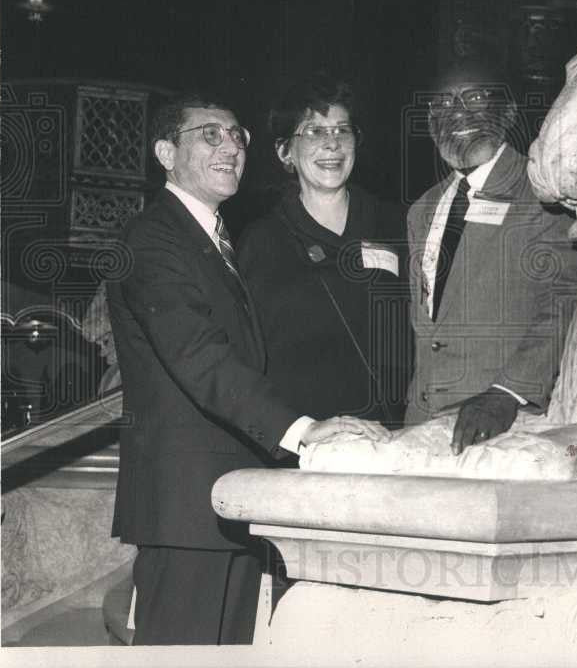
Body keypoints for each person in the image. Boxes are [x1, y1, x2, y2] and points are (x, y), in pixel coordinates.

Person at [107, 93, 386, 645]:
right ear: (166, 152)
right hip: (185, 509)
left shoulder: (216, 237)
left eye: (237, 135)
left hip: (229, 502)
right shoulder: (153, 237)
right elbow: (200, 359)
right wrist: (303, 432)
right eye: (210, 135)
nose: (230, 147)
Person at [405, 57, 577, 454]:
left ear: (506, 112)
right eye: (442, 103)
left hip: (504, 427)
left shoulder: (542, 193)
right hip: (422, 431)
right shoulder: (423, 209)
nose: (457, 113)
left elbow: (567, 300)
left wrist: (506, 394)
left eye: (474, 97)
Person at [237, 75, 410, 436]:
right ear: (285, 151)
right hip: (305, 442)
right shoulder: (260, 241)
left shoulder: (398, 225)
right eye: (314, 132)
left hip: (390, 436)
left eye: (342, 131)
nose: (332, 144)